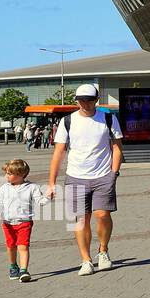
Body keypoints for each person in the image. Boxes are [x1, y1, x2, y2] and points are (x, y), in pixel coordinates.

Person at [47, 85, 122, 277]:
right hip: (75, 177)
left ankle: (103, 252)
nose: (85, 103)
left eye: (89, 99)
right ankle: (86, 260)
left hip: (103, 176)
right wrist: (51, 182)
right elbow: (58, 153)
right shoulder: (68, 121)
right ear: (76, 100)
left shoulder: (108, 118)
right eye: (81, 99)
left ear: (96, 99)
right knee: (80, 220)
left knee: (102, 215)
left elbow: (117, 148)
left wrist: (113, 173)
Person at [0, 157, 43, 282]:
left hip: (24, 222)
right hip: (7, 223)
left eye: (9, 173)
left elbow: (40, 201)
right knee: (11, 246)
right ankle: (13, 266)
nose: (6, 175)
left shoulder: (31, 187)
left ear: (20, 175)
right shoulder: (4, 188)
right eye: (6, 173)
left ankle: (24, 271)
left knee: (23, 246)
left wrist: (48, 197)